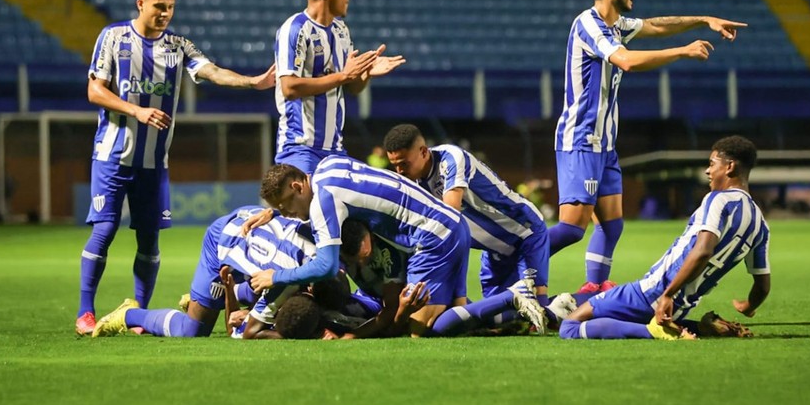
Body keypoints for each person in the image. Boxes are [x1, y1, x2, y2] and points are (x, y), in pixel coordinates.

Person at [75, 0, 276, 336]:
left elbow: (211, 71)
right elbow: (94, 90)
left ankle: (138, 312)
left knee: (149, 239)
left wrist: (252, 81)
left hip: (154, 163)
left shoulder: (178, 46)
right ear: (141, 3)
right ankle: (85, 311)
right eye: (159, 7)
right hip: (111, 157)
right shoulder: (114, 37)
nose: (165, 13)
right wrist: (136, 111)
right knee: (104, 230)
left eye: (170, 8)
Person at [549, 0, 747, 293]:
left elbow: (655, 26)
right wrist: (683, 51)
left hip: (605, 145)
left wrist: (704, 20)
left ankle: (592, 290)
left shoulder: (617, 25)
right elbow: (625, 60)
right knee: (571, 229)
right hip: (579, 140)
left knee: (611, 225)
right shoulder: (589, 23)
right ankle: (513, 258)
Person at [245, 156, 549, 336]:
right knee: (462, 317)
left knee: (424, 329)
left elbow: (325, 265)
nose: (288, 213)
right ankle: (542, 312)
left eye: (286, 205)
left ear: (298, 186)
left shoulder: (323, 201)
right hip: (450, 222)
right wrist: (274, 211)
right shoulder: (327, 166)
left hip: (429, 235)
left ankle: (512, 296)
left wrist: (276, 277)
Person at [559, 135, 770, 340]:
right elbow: (762, 286)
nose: (708, 170)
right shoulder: (760, 224)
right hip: (680, 308)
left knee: (569, 326)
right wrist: (748, 306)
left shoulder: (719, 200)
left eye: (712, 164)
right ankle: (702, 328)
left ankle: (656, 332)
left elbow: (703, 250)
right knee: (612, 317)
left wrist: (668, 294)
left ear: (730, 167)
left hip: (653, 293)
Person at [90, 164, 317, 339]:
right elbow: (237, 329)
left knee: (265, 292)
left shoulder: (320, 252)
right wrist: (247, 314)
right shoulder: (287, 273)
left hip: (258, 243)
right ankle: (129, 314)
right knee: (192, 330)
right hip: (225, 239)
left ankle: (206, 298)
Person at [382, 124, 556, 320]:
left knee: (539, 313)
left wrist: (459, 296)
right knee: (499, 319)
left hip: (525, 234)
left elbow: (451, 220)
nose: (399, 171)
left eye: (404, 164)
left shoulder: (451, 158)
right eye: (394, 165)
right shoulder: (412, 182)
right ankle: (565, 304)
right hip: (494, 251)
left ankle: (588, 300)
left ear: (423, 152)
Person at [274, 0, 405, 175]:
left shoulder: (341, 30)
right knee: (306, 209)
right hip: (300, 148)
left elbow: (352, 88)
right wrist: (344, 75)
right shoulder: (295, 29)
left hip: (335, 151)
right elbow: (289, 88)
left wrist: (365, 73)